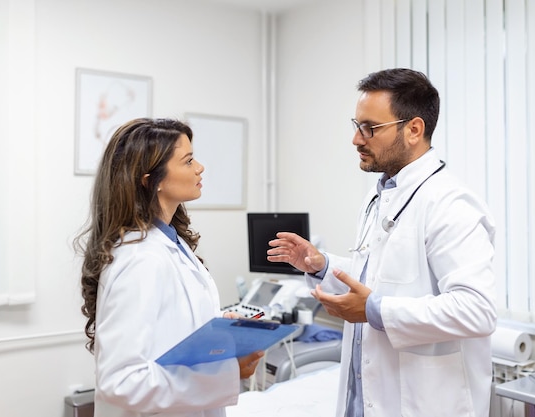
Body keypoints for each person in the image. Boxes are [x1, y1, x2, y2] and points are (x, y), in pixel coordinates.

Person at [267, 68, 497, 417]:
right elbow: (378, 281)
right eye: (356, 126)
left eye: (370, 128)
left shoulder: (450, 204)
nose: (356, 140)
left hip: (427, 403)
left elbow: (476, 311)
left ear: (414, 129)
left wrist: (375, 310)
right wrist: (322, 265)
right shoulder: (379, 198)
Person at [75, 118, 263, 417]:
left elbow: (168, 327)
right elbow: (121, 381)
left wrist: (215, 324)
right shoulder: (140, 259)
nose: (200, 167)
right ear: (152, 180)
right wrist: (225, 373)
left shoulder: (169, 243)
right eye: (188, 161)